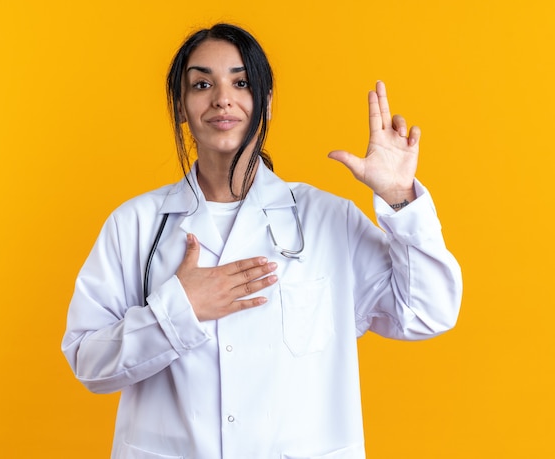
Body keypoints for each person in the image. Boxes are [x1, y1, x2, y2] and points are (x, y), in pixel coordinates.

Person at [62, 23, 462, 459]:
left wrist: (399, 197)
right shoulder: (135, 225)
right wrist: (181, 309)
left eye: (242, 82)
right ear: (181, 105)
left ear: (266, 102)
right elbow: (89, 362)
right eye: (201, 84)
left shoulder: (328, 219)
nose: (222, 98)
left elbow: (427, 313)